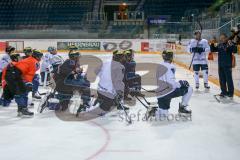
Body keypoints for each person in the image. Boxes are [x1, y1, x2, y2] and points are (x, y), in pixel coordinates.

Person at [147, 50, 193, 118]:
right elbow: (172, 84)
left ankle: (153, 111)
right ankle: (182, 108)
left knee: (163, 114)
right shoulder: (171, 67)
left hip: (160, 94)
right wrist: (181, 83)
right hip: (169, 92)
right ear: (171, 57)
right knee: (189, 89)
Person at [4, 49, 43, 117]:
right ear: (36, 56)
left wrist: (28, 82)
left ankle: (21, 110)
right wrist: (28, 82)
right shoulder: (33, 61)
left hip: (15, 76)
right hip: (13, 76)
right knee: (20, 93)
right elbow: (26, 73)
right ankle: (22, 109)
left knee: (23, 93)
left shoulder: (33, 60)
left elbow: (28, 73)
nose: (40, 57)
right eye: (40, 56)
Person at [210, 33, 237, 99]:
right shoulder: (220, 45)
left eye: (223, 38)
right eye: (221, 38)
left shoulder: (229, 43)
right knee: (222, 80)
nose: (222, 39)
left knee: (229, 80)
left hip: (227, 65)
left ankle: (230, 93)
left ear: (226, 38)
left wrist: (231, 44)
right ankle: (224, 92)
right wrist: (212, 44)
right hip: (221, 65)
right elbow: (213, 50)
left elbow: (235, 50)